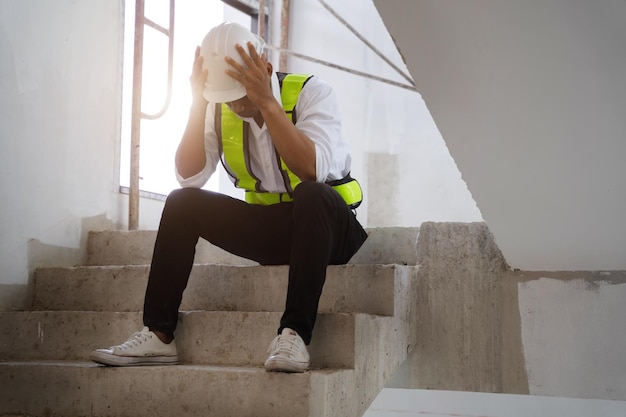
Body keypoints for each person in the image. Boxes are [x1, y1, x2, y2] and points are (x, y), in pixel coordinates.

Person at [90, 22, 367, 373]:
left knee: (311, 193)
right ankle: (159, 334)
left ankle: (293, 334)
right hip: (275, 234)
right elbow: (190, 175)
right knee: (181, 202)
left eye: (241, 94)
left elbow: (311, 169)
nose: (235, 105)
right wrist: (197, 104)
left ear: (265, 71)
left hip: (331, 231)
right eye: (226, 97)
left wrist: (267, 102)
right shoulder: (219, 106)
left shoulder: (313, 93)